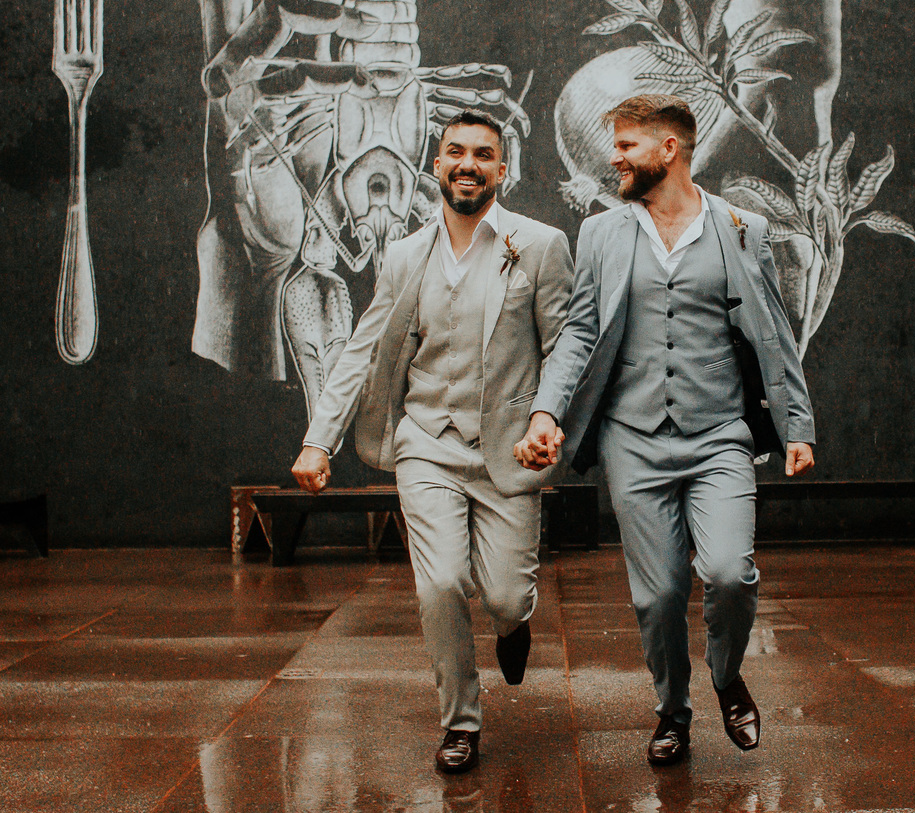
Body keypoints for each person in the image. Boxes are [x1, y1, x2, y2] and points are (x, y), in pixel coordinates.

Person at [514, 94, 815, 766]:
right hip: (634, 436)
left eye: (626, 145)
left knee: (730, 574)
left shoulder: (742, 228)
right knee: (659, 595)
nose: (614, 158)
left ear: (668, 149)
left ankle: (726, 674)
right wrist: (546, 413)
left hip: (718, 433)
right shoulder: (602, 233)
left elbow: (773, 331)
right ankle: (672, 710)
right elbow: (579, 333)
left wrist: (796, 425)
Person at [292, 109, 573, 774]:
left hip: (507, 448)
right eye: (456, 152)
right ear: (437, 164)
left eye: (483, 153)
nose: (468, 163)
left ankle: (513, 624)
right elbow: (361, 349)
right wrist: (318, 440)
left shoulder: (540, 245)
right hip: (426, 442)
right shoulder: (404, 256)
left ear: (502, 168)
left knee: (505, 596)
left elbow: (563, 344)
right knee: (440, 582)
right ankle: (460, 723)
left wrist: (547, 417)